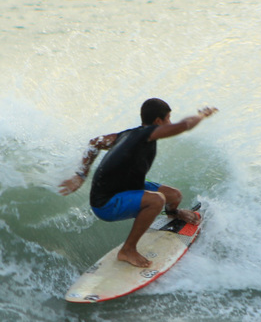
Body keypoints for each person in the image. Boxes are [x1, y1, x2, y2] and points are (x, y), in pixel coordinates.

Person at [59, 98, 218, 268]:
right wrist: (201, 115)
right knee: (157, 200)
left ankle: (173, 213)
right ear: (158, 121)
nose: (170, 122)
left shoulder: (128, 134)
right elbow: (183, 126)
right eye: (168, 118)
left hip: (127, 185)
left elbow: (95, 142)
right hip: (106, 203)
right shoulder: (145, 134)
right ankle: (128, 250)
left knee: (174, 196)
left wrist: (81, 175)